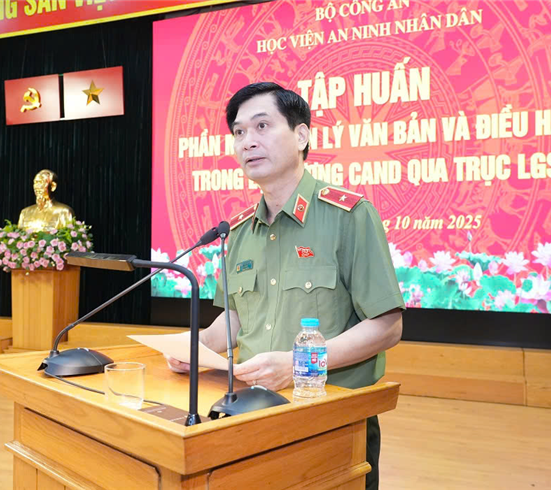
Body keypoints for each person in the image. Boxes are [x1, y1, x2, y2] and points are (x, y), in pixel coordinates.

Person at [166, 82, 405, 489]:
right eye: (239, 132)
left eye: (262, 126)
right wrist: (197, 348)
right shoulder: (238, 231)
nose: (247, 141)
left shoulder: (349, 215)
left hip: (331, 421)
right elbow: (237, 319)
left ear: (301, 135)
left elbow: (387, 327)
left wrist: (297, 366)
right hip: (249, 412)